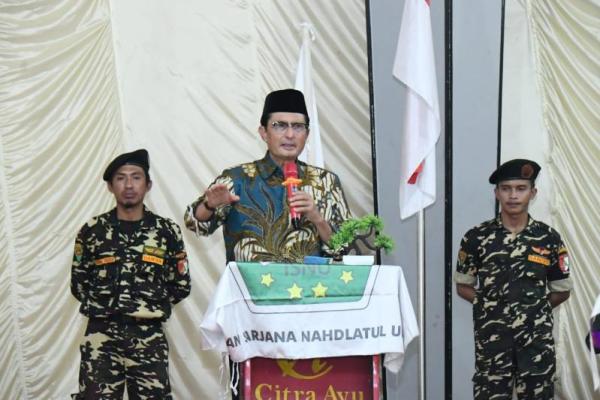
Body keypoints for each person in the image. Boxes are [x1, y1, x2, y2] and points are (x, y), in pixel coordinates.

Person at [70, 149, 191, 399]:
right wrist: (106, 307)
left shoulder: (166, 231)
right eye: (120, 178)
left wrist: (148, 306)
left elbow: (180, 285)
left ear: (148, 185)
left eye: (136, 177)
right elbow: (79, 283)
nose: (128, 185)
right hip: (101, 337)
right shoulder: (92, 231)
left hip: (148, 336)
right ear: (110, 186)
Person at [184, 88, 351, 263]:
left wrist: (318, 219)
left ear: (307, 134)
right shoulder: (237, 178)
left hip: (308, 280)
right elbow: (194, 223)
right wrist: (209, 205)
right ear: (264, 133)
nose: (290, 135)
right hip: (249, 281)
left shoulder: (325, 182)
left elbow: (344, 248)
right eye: (279, 125)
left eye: (298, 127)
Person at [454, 159, 572, 400]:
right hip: (492, 345)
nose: (513, 196)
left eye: (521, 188)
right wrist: (490, 306)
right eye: (506, 189)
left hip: (536, 345)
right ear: (496, 193)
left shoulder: (548, 238)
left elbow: (562, 290)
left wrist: (534, 309)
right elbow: (463, 286)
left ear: (533, 193)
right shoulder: (476, 237)